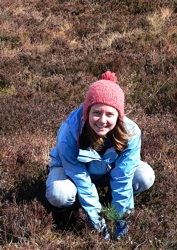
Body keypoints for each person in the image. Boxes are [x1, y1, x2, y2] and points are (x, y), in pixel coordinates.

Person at [45, 71, 155, 240]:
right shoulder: (69, 133)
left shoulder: (131, 132)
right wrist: (101, 230)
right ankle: (63, 221)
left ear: (119, 116)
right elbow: (82, 181)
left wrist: (122, 230)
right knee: (60, 193)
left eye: (110, 114)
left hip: (106, 172)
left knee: (144, 176)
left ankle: (112, 206)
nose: (102, 120)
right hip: (72, 173)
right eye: (96, 112)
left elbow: (123, 179)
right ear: (87, 112)